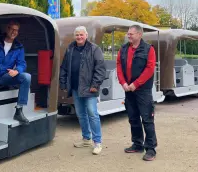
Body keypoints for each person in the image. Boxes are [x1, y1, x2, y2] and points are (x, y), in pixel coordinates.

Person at [59, 26, 106, 155]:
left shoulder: (94, 49)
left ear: (86, 35)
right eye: (77, 35)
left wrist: (95, 85)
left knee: (92, 113)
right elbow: (64, 67)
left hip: (90, 88)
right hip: (75, 88)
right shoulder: (70, 48)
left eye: (81, 35)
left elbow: (100, 69)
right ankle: (86, 139)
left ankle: (97, 142)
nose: (79, 37)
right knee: (81, 114)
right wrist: (63, 83)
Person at [116, 25, 158, 161]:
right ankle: (137, 144)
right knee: (133, 118)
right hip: (128, 89)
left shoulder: (149, 49)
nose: (129, 36)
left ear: (140, 34)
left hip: (143, 91)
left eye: (131, 34)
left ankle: (150, 148)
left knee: (147, 119)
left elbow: (150, 68)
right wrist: (123, 83)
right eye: (128, 34)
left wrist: (136, 84)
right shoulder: (123, 49)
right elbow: (118, 66)